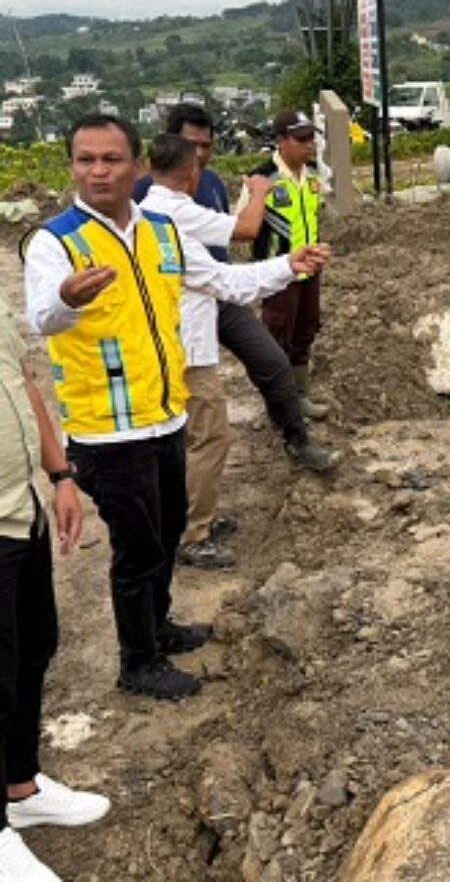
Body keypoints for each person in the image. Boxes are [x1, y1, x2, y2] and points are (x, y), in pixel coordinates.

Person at [23, 113, 329, 701]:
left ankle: (157, 628)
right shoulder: (55, 241)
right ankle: (137, 662)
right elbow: (41, 316)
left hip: (165, 415)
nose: (98, 171)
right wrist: (67, 297)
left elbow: (225, 282)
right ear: (72, 167)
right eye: (85, 159)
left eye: (111, 159)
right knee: (136, 551)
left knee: (164, 534)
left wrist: (287, 266)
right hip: (109, 431)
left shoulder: (161, 232)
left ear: (135, 166)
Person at [140, 134, 330, 569]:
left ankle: (188, 519)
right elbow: (224, 278)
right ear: (191, 172)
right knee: (210, 436)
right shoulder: (171, 218)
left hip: (176, 338)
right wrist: (288, 265)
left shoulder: (146, 214)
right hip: (187, 347)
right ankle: (193, 533)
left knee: (189, 435)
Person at [132, 104, 339, 477]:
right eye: (191, 146)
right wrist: (282, 257)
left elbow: (224, 252)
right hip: (185, 303)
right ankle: (187, 508)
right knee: (194, 414)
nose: (199, 155)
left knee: (272, 362)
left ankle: (298, 441)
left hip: (220, 289)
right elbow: (244, 230)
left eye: (206, 146)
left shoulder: (210, 183)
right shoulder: (147, 199)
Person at [0, 295, 110, 882]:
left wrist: (60, 473)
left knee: (33, 650)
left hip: (22, 509)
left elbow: (20, 380)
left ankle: (21, 787)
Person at [239, 110, 328, 416]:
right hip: (277, 274)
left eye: (311, 138)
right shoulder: (262, 179)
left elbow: (316, 216)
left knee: (305, 330)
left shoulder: (314, 175)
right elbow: (242, 226)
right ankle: (280, 403)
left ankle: (300, 395)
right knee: (277, 337)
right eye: (301, 139)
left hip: (310, 270)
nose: (309, 145)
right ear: (280, 141)